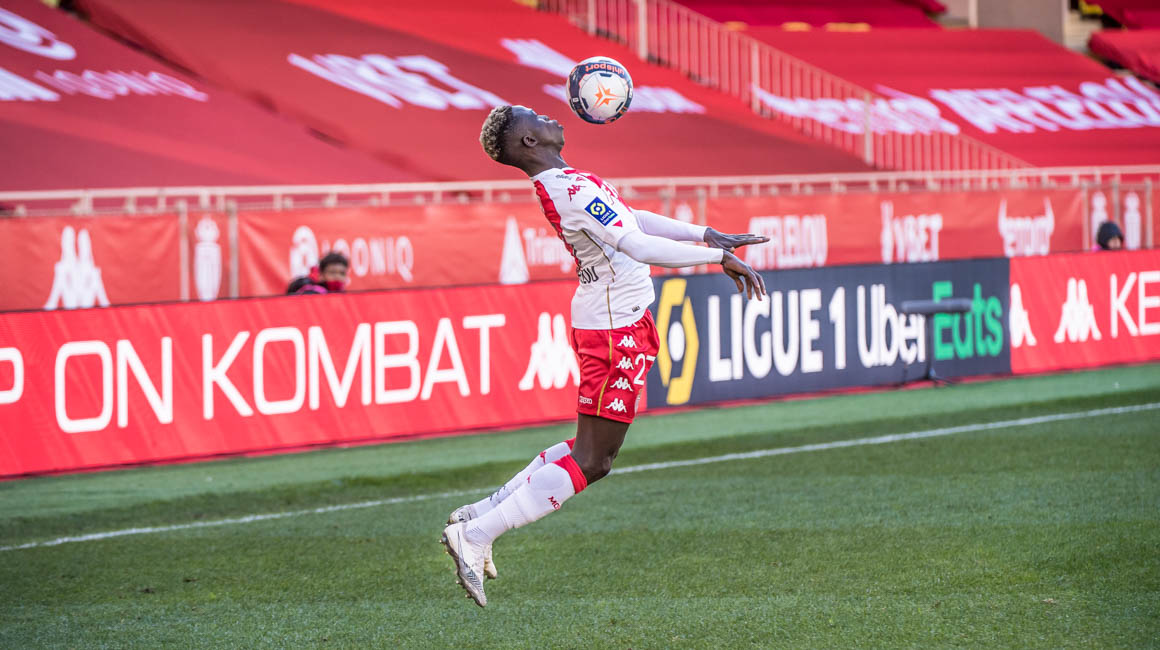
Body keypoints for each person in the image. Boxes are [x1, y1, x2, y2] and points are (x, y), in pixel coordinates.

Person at [440, 105, 768, 607]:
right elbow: (637, 245)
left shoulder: (567, 181)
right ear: (528, 141)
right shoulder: (569, 189)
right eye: (535, 116)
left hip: (613, 322)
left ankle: (479, 515)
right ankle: (478, 534)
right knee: (594, 461)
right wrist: (716, 257)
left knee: (587, 448)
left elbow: (631, 221)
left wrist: (702, 234)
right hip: (615, 330)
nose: (549, 116)